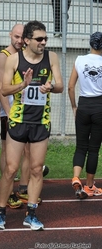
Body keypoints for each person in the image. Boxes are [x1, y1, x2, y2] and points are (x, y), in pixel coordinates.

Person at [0, 20, 63, 231]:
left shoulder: (52, 57)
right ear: (27, 40)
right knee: (11, 169)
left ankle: (31, 214)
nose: (43, 42)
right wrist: (23, 84)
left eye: (45, 38)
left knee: (36, 169)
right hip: (19, 120)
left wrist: (51, 86)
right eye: (39, 39)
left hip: (41, 121)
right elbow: (3, 89)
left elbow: (59, 84)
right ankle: (0, 212)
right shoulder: (14, 60)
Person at [0, 24, 26, 209]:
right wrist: (6, 111)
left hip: (24, 112)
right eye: (16, 37)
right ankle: (8, 191)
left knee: (25, 152)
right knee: (8, 151)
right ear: (10, 35)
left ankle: (22, 188)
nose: (19, 40)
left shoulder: (23, 56)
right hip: (11, 112)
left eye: (22, 37)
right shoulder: (3, 57)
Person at [68, 31, 102, 199]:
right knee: (94, 149)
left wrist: (74, 106)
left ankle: (76, 177)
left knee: (81, 146)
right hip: (99, 107)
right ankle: (89, 185)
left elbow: (70, 86)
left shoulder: (79, 60)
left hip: (83, 105)